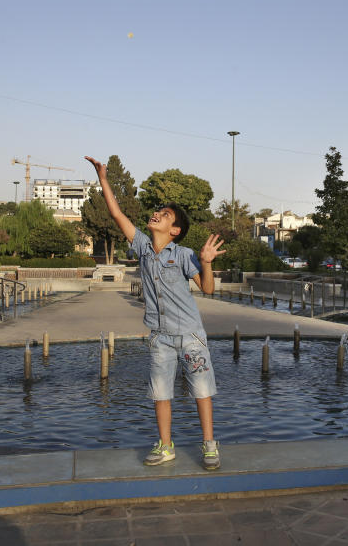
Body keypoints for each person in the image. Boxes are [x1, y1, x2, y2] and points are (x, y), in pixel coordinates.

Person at [85, 156, 226, 469]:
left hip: (190, 335)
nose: (156, 215)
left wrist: (207, 261)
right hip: (161, 336)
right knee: (160, 393)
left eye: (164, 215)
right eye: (157, 212)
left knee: (201, 391)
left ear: (174, 230)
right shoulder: (143, 247)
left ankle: (209, 445)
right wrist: (104, 180)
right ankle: (165, 446)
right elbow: (116, 214)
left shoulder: (186, 255)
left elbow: (208, 289)